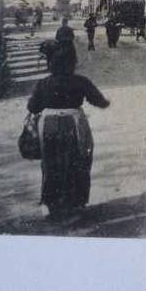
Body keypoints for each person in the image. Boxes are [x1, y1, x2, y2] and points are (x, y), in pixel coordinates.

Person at [27, 40, 110, 219]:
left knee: (50, 163)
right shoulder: (81, 81)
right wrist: (106, 102)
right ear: (72, 64)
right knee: (79, 161)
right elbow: (99, 101)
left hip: (48, 125)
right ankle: (77, 202)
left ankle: (50, 203)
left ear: (51, 65)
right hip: (74, 124)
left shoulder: (43, 83)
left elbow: (32, 107)